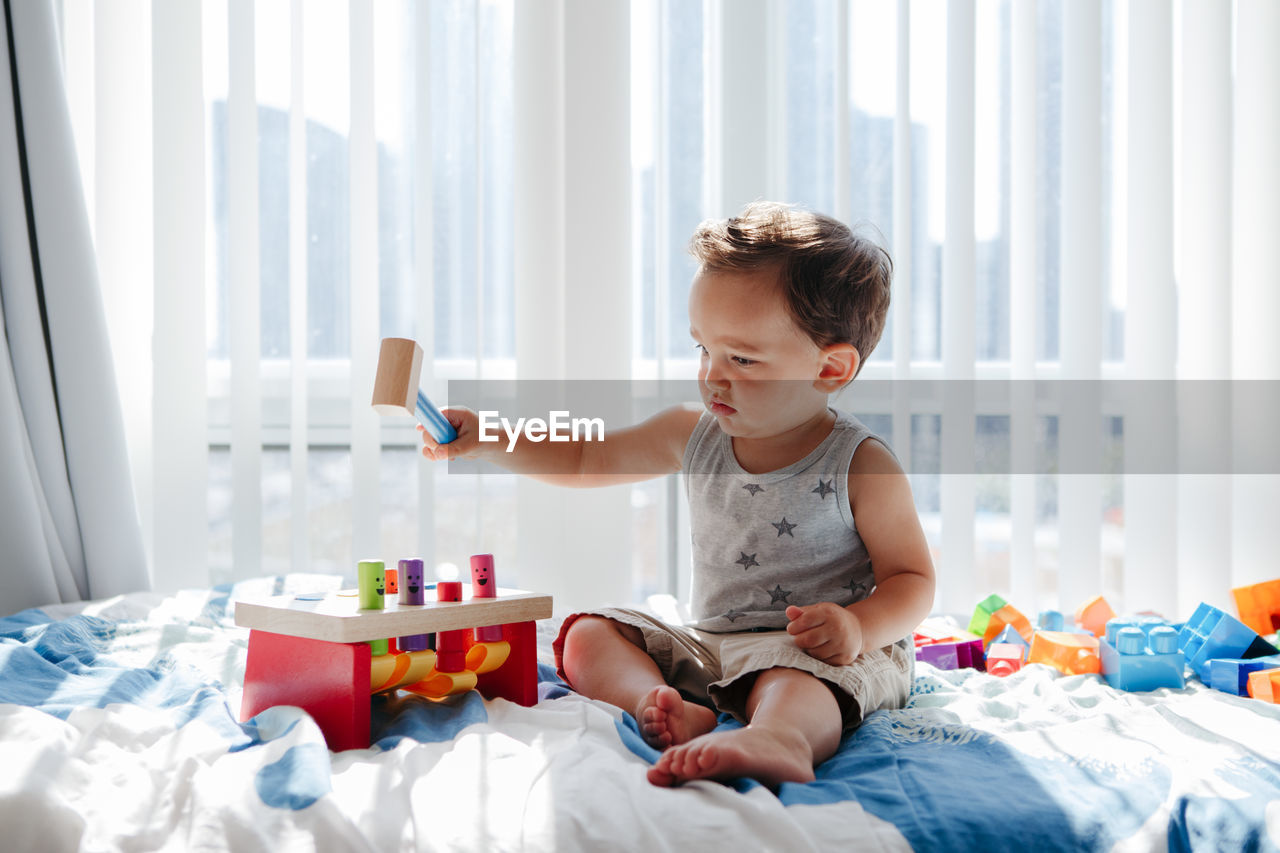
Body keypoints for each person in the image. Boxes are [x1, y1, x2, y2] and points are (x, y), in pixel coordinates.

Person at [419, 201, 935, 789]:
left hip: (816, 656)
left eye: (741, 357)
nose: (712, 375)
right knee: (590, 632)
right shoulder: (692, 434)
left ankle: (780, 739)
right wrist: (491, 436)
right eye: (703, 349)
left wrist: (858, 628)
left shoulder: (861, 464)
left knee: (793, 685)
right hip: (713, 643)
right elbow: (588, 456)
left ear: (830, 369)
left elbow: (912, 580)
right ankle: (660, 705)